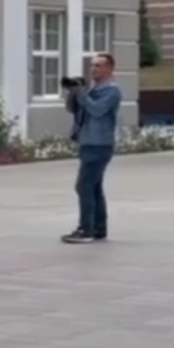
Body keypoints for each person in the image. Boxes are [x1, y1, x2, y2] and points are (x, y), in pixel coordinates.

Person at [62, 53, 123, 243]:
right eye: (92, 66)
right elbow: (73, 110)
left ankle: (85, 229)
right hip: (87, 142)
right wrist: (74, 92)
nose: (93, 69)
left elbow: (97, 110)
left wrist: (82, 93)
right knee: (94, 187)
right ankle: (98, 228)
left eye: (98, 65)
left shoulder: (112, 91)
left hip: (99, 144)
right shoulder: (91, 89)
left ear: (109, 69)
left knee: (84, 185)